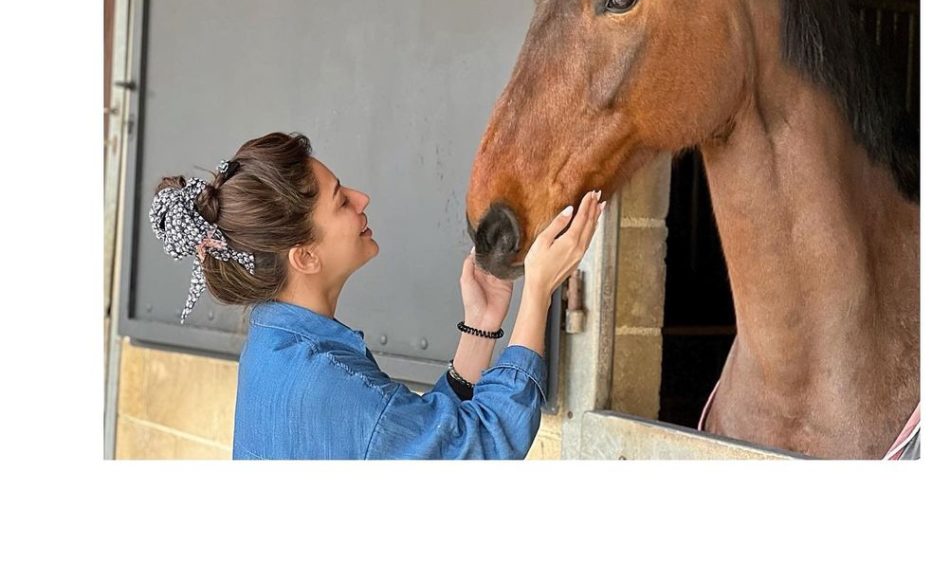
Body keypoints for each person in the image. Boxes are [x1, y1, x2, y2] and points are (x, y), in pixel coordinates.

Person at [149, 131, 604, 459]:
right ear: (304, 256)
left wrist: (481, 325)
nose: (361, 197)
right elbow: (480, 446)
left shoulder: (274, 350)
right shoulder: (322, 381)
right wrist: (538, 291)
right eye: (341, 201)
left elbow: (414, 439)